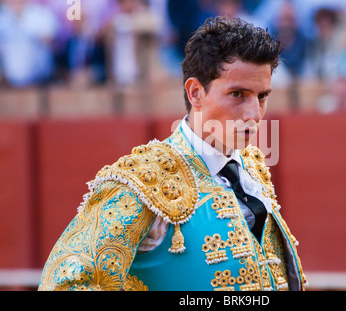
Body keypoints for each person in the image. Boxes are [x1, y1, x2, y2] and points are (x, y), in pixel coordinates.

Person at [38, 16, 307, 291]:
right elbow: (62, 285)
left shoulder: (251, 167)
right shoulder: (142, 181)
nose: (254, 114)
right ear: (195, 93)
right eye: (237, 94)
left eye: (262, 96)